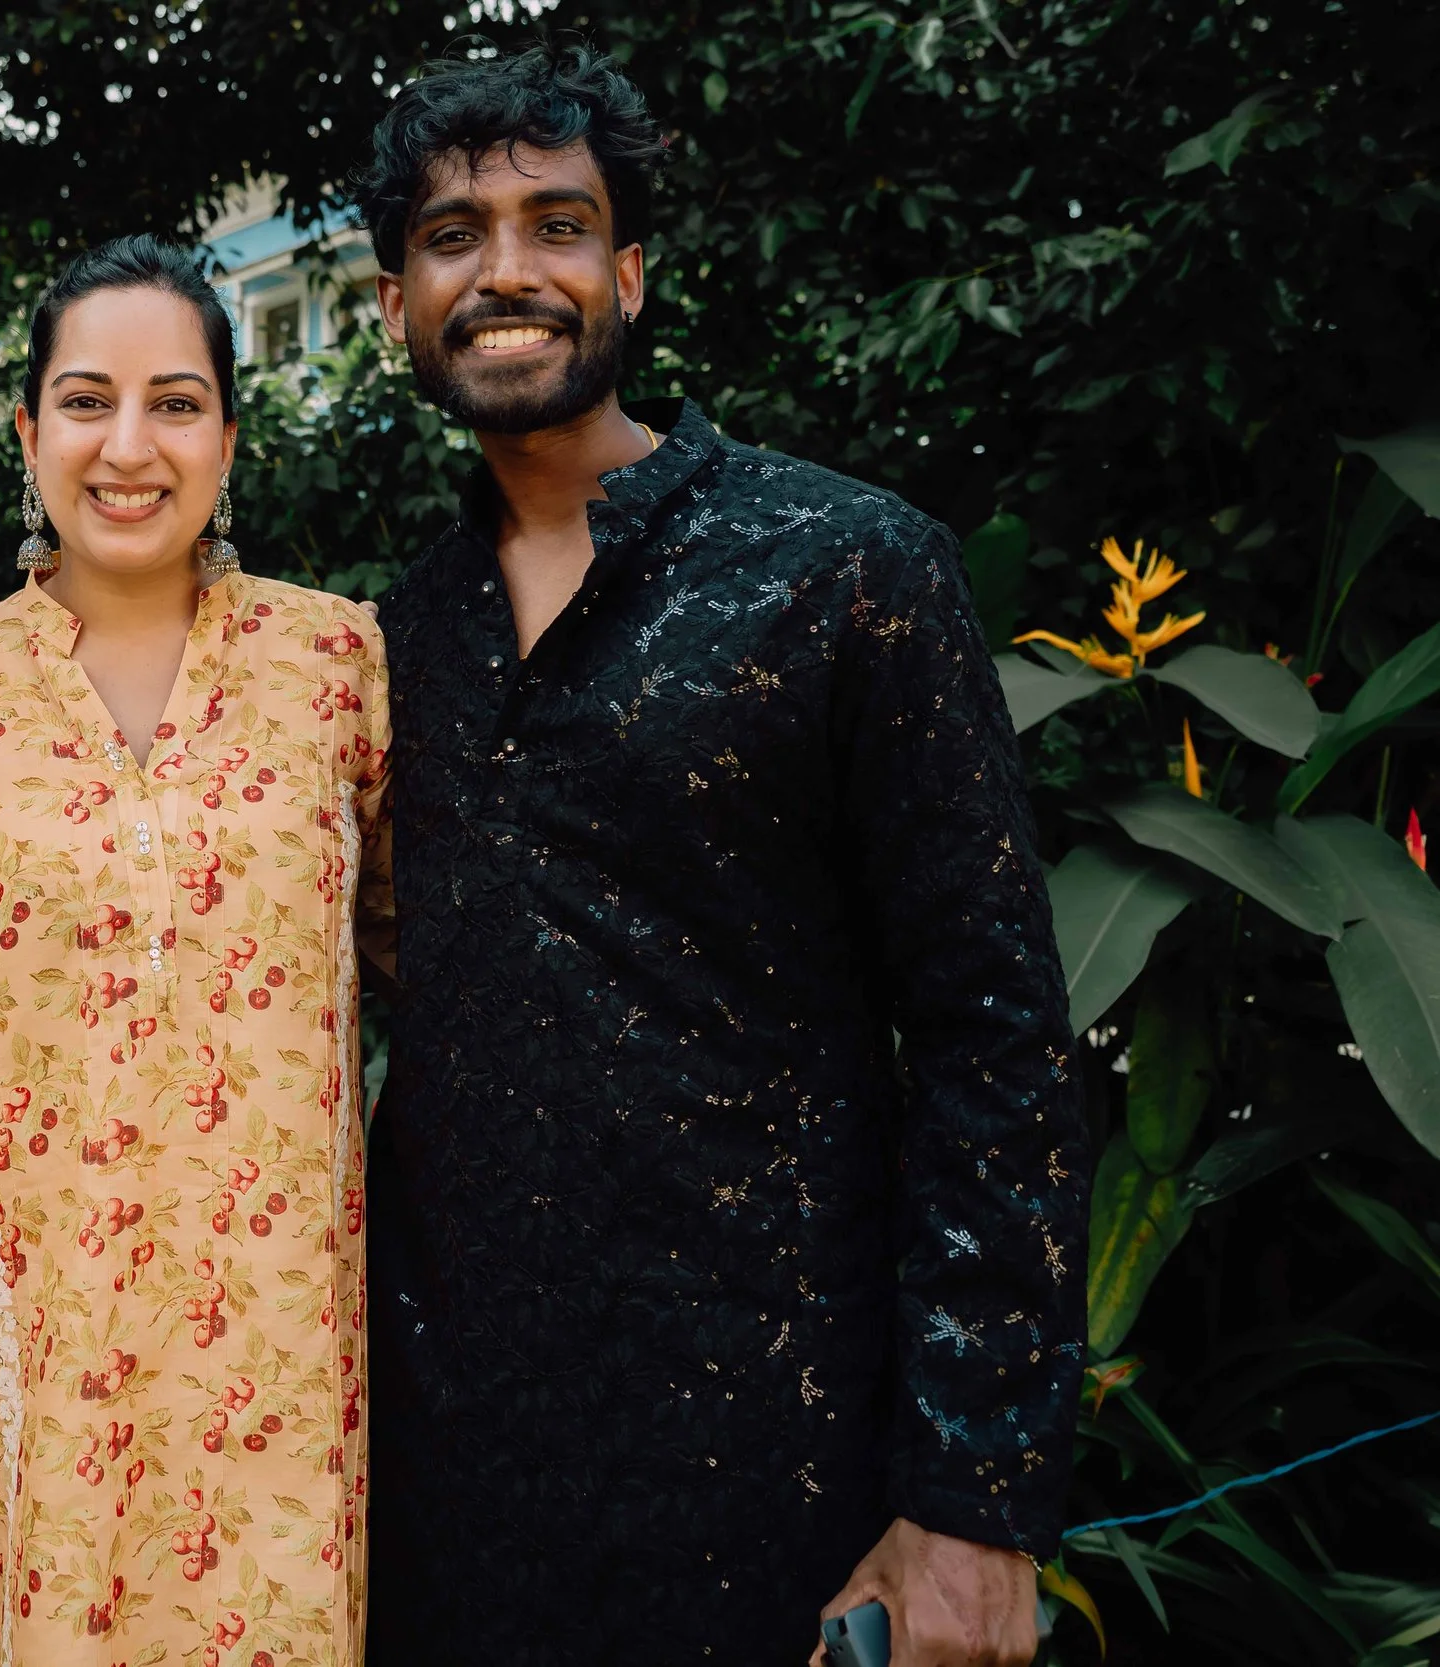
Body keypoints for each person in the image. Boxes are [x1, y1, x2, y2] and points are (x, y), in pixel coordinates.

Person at [353, 45, 1088, 1667]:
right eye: (454, 236)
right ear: (398, 303)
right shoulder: (381, 649)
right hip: (453, 1508)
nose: (506, 271)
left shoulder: (846, 567)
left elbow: (997, 1041)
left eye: (557, 224)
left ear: (628, 274)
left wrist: (976, 1496)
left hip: (785, 1493)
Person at [0, 236, 387, 1667]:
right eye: (87, 400)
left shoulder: (339, 665)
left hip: (274, 1324)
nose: (129, 445)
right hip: (19, 1315)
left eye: (176, 402)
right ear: (28, 430)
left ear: (229, 435)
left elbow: (409, 948)